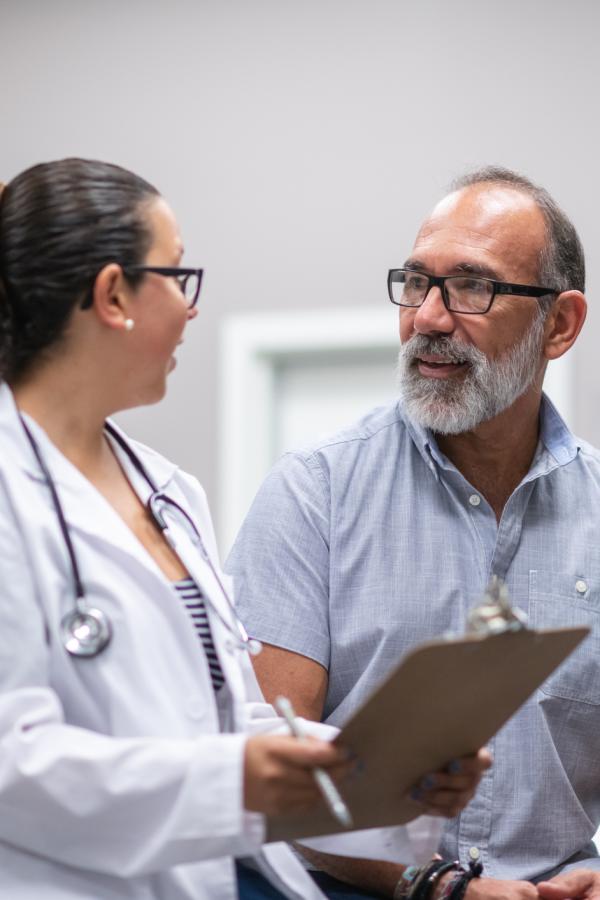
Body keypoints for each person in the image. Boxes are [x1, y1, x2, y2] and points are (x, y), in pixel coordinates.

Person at [0, 158, 489, 900]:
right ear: (113, 295)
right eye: (177, 275)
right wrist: (229, 781)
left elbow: (224, 726)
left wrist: (390, 772)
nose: (191, 308)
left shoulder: (168, 494)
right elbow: (14, 763)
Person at [227, 166, 600, 899]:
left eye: (471, 286)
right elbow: (267, 772)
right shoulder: (314, 493)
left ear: (559, 324)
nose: (428, 317)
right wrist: (436, 887)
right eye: (416, 282)